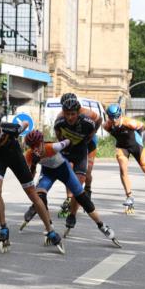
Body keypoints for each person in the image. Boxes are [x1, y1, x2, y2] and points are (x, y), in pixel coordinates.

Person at [21, 130, 120, 250]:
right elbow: (29, 178)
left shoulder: (53, 147)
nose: (35, 148)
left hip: (64, 170)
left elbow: (68, 142)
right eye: (32, 146)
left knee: (81, 197)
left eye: (37, 145)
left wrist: (71, 148)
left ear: (42, 142)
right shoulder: (29, 154)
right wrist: (34, 165)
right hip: (47, 173)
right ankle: (49, 227)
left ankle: (102, 226)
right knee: (40, 196)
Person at [0, 110, 55, 253]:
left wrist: (20, 130)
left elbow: (26, 123)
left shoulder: (10, 128)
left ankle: (50, 230)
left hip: (14, 155)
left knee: (32, 193)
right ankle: (3, 227)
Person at [102, 103, 145, 214]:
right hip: (122, 147)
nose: (114, 120)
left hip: (136, 146)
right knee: (123, 170)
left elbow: (144, 127)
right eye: (111, 118)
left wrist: (140, 139)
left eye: (116, 117)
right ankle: (129, 196)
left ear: (120, 115)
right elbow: (115, 133)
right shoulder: (107, 125)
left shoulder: (129, 122)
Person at [52, 93, 101, 235]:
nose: (68, 116)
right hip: (73, 143)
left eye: (72, 112)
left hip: (88, 142)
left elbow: (99, 119)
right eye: (65, 111)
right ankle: (71, 198)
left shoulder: (86, 114)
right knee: (70, 172)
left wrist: (91, 135)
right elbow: (58, 134)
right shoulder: (60, 117)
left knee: (88, 172)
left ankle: (88, 190)